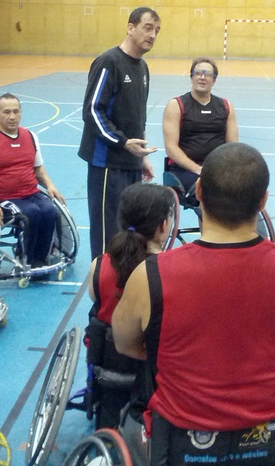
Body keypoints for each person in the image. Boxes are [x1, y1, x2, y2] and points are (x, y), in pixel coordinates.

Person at [113, 143, 275, 464]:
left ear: (200, 191)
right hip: (267, 440)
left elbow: (125, 344)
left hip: (182, 442)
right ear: (263, 201)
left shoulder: (154, 274)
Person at [86, 182, 175, 429]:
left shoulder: (98, 266)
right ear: (163, 225)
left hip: (107, 363)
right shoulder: (168, 272)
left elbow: (97, 303)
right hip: (151, 371)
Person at [78, 7, 161, 260]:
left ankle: (126, 288)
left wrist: (142, 157)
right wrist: (123, 142)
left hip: (131, 162)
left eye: (157, 31)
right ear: (130, 27)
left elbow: (138, 115)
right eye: (148, 27)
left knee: (130, 232)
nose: (153, 35)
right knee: (108, 235)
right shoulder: (108, 62)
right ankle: (102, 290)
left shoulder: (143, 68)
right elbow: (92, 111)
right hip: (106, 165)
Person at [0, 93, 65, 268]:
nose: (12, 117)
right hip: (2, 198)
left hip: (31, 193)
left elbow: (38, 169)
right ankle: (25, 259)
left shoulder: (30, 136)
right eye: (6, 112)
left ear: (21, 112)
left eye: (15, 111)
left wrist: (50, 185)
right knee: (31, 214)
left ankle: (41, 258)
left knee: (50, 211)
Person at [162, 57, 238, 195]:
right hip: (184, 170)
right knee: (210, 188)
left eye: (208, 74)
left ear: (214, 80)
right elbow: (171, 147)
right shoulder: (176, 105)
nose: (202, 77)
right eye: (198, 73)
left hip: (216, 168)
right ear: (191, 77)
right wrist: (198, 169)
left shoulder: (226, 107)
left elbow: (232, 146)